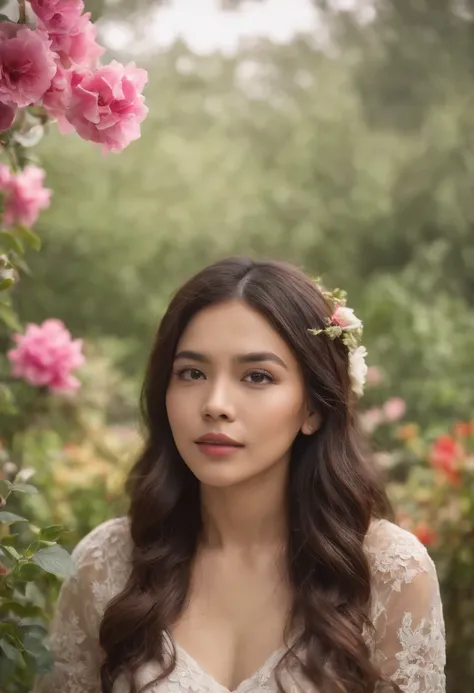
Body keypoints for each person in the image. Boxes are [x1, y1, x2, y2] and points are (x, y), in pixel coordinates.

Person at [32, 257, 446, 693]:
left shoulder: (389, 572)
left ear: (313, 408)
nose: (215, 403)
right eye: (192, 373)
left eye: (257, 376)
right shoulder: (106, 565)